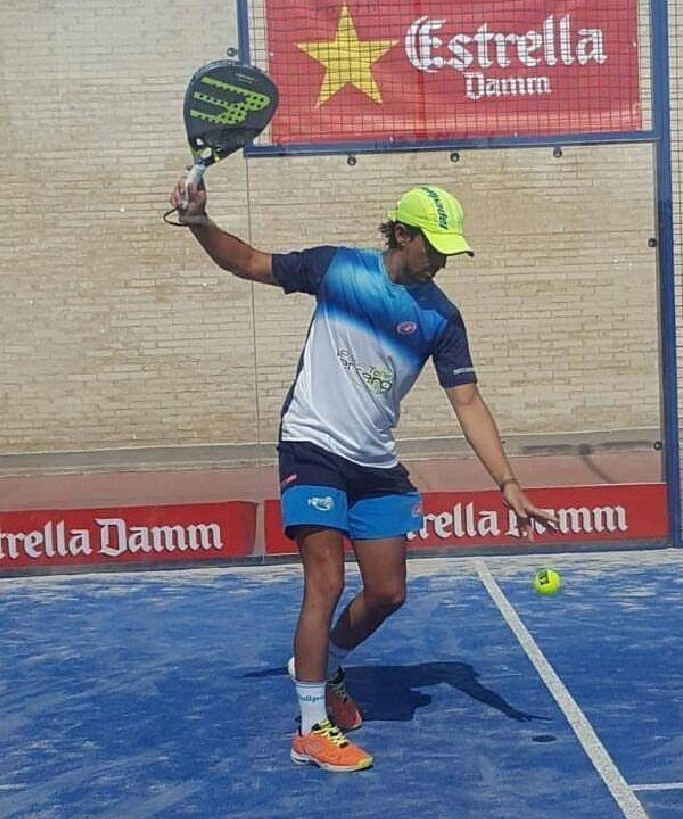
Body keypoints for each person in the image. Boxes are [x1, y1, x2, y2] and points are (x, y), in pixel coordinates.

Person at [169, 179, 559, 773]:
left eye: (449, 249)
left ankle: (323, 666)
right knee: (325, 582)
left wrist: (508, 484)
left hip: (374, 462)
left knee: (387, 593)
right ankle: (310, 730)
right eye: (435, 247)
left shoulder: (441, 318)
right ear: (401, 234)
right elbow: (247, 262)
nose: (443, 260)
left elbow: (468, 401)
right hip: (312, 445)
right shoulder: (338, 270)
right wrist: (200, 222)